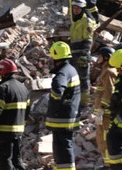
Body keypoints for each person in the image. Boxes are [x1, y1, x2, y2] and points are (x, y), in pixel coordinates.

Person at [0, 59, 29, 170]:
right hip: (18, 131)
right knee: (17, 159)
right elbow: (27, 111)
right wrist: (22, 125)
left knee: (4, 160)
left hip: (5, 132)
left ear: (2, 72)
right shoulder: (23, 88)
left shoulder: (3, 88)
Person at [46, 41, 81, 170]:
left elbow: (57, 90)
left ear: (57, 59)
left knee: (62, 149)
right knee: (64, 147)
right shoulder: (71, 69)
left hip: (62, 118)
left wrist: (54, 98)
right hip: (68, 116)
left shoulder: (62, 73)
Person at [92, 46, 118, 166]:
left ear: (106, 57)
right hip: (102, 112)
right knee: (101, 139)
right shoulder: (105, 71)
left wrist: (102, 109)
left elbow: (109, 92)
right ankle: (107, 164)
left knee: (105, 139)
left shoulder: (109, 72)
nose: (98, 59)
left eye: (100, 56)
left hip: (106, 114)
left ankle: (110, 165)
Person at [69, 0, 96, 106]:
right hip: (74, 54)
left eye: (78, 8)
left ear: (82, 8)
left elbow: (88, 40)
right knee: (74, 78)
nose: (75, 10)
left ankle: (84, 103)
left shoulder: (86, 21)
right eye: (74, 8)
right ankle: (75, 99)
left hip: (81, 54)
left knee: (83, 79)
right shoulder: (76, 20)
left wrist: (84, 55)